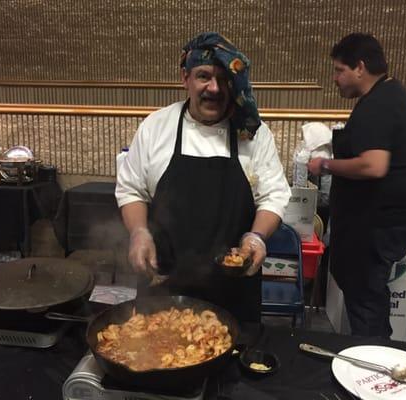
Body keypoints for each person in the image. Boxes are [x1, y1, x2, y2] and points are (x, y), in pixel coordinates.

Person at [115, 32, 290, 322]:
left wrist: (256, 237)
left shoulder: (251, 133)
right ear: (185, 78)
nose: (215, 88)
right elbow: (131, 190)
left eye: (223, 79)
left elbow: (274, 195)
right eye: (204, 76)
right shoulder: (157, 127)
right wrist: (138, 232)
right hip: (164, 284)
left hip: (234, 291)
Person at [308, 33, 406, 337]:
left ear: (359, 67)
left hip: (375, 228)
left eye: (339, 70)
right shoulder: (388, 96)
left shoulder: (381, 104)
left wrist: (325, 165)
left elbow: (374, 165)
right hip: (377, 224)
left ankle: (374, 370)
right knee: (368, 302)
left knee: (367, 308)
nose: (335, 79)